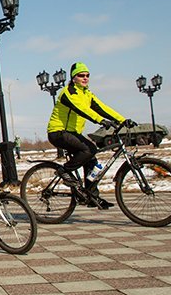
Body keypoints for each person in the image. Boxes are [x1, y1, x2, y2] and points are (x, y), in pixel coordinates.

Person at [46, 62, 130, 209]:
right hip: (58, 132)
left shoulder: (87, 93)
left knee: (91, 158)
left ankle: (91, 197)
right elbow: (82, 110)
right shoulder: (68, 92)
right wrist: (101, 121)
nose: (85, 78)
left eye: (87, 75)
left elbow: (102, 107)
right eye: (81, 75)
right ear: (73, 78)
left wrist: (122, 120)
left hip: (72, 133)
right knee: (89, 149)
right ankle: (64, 171)